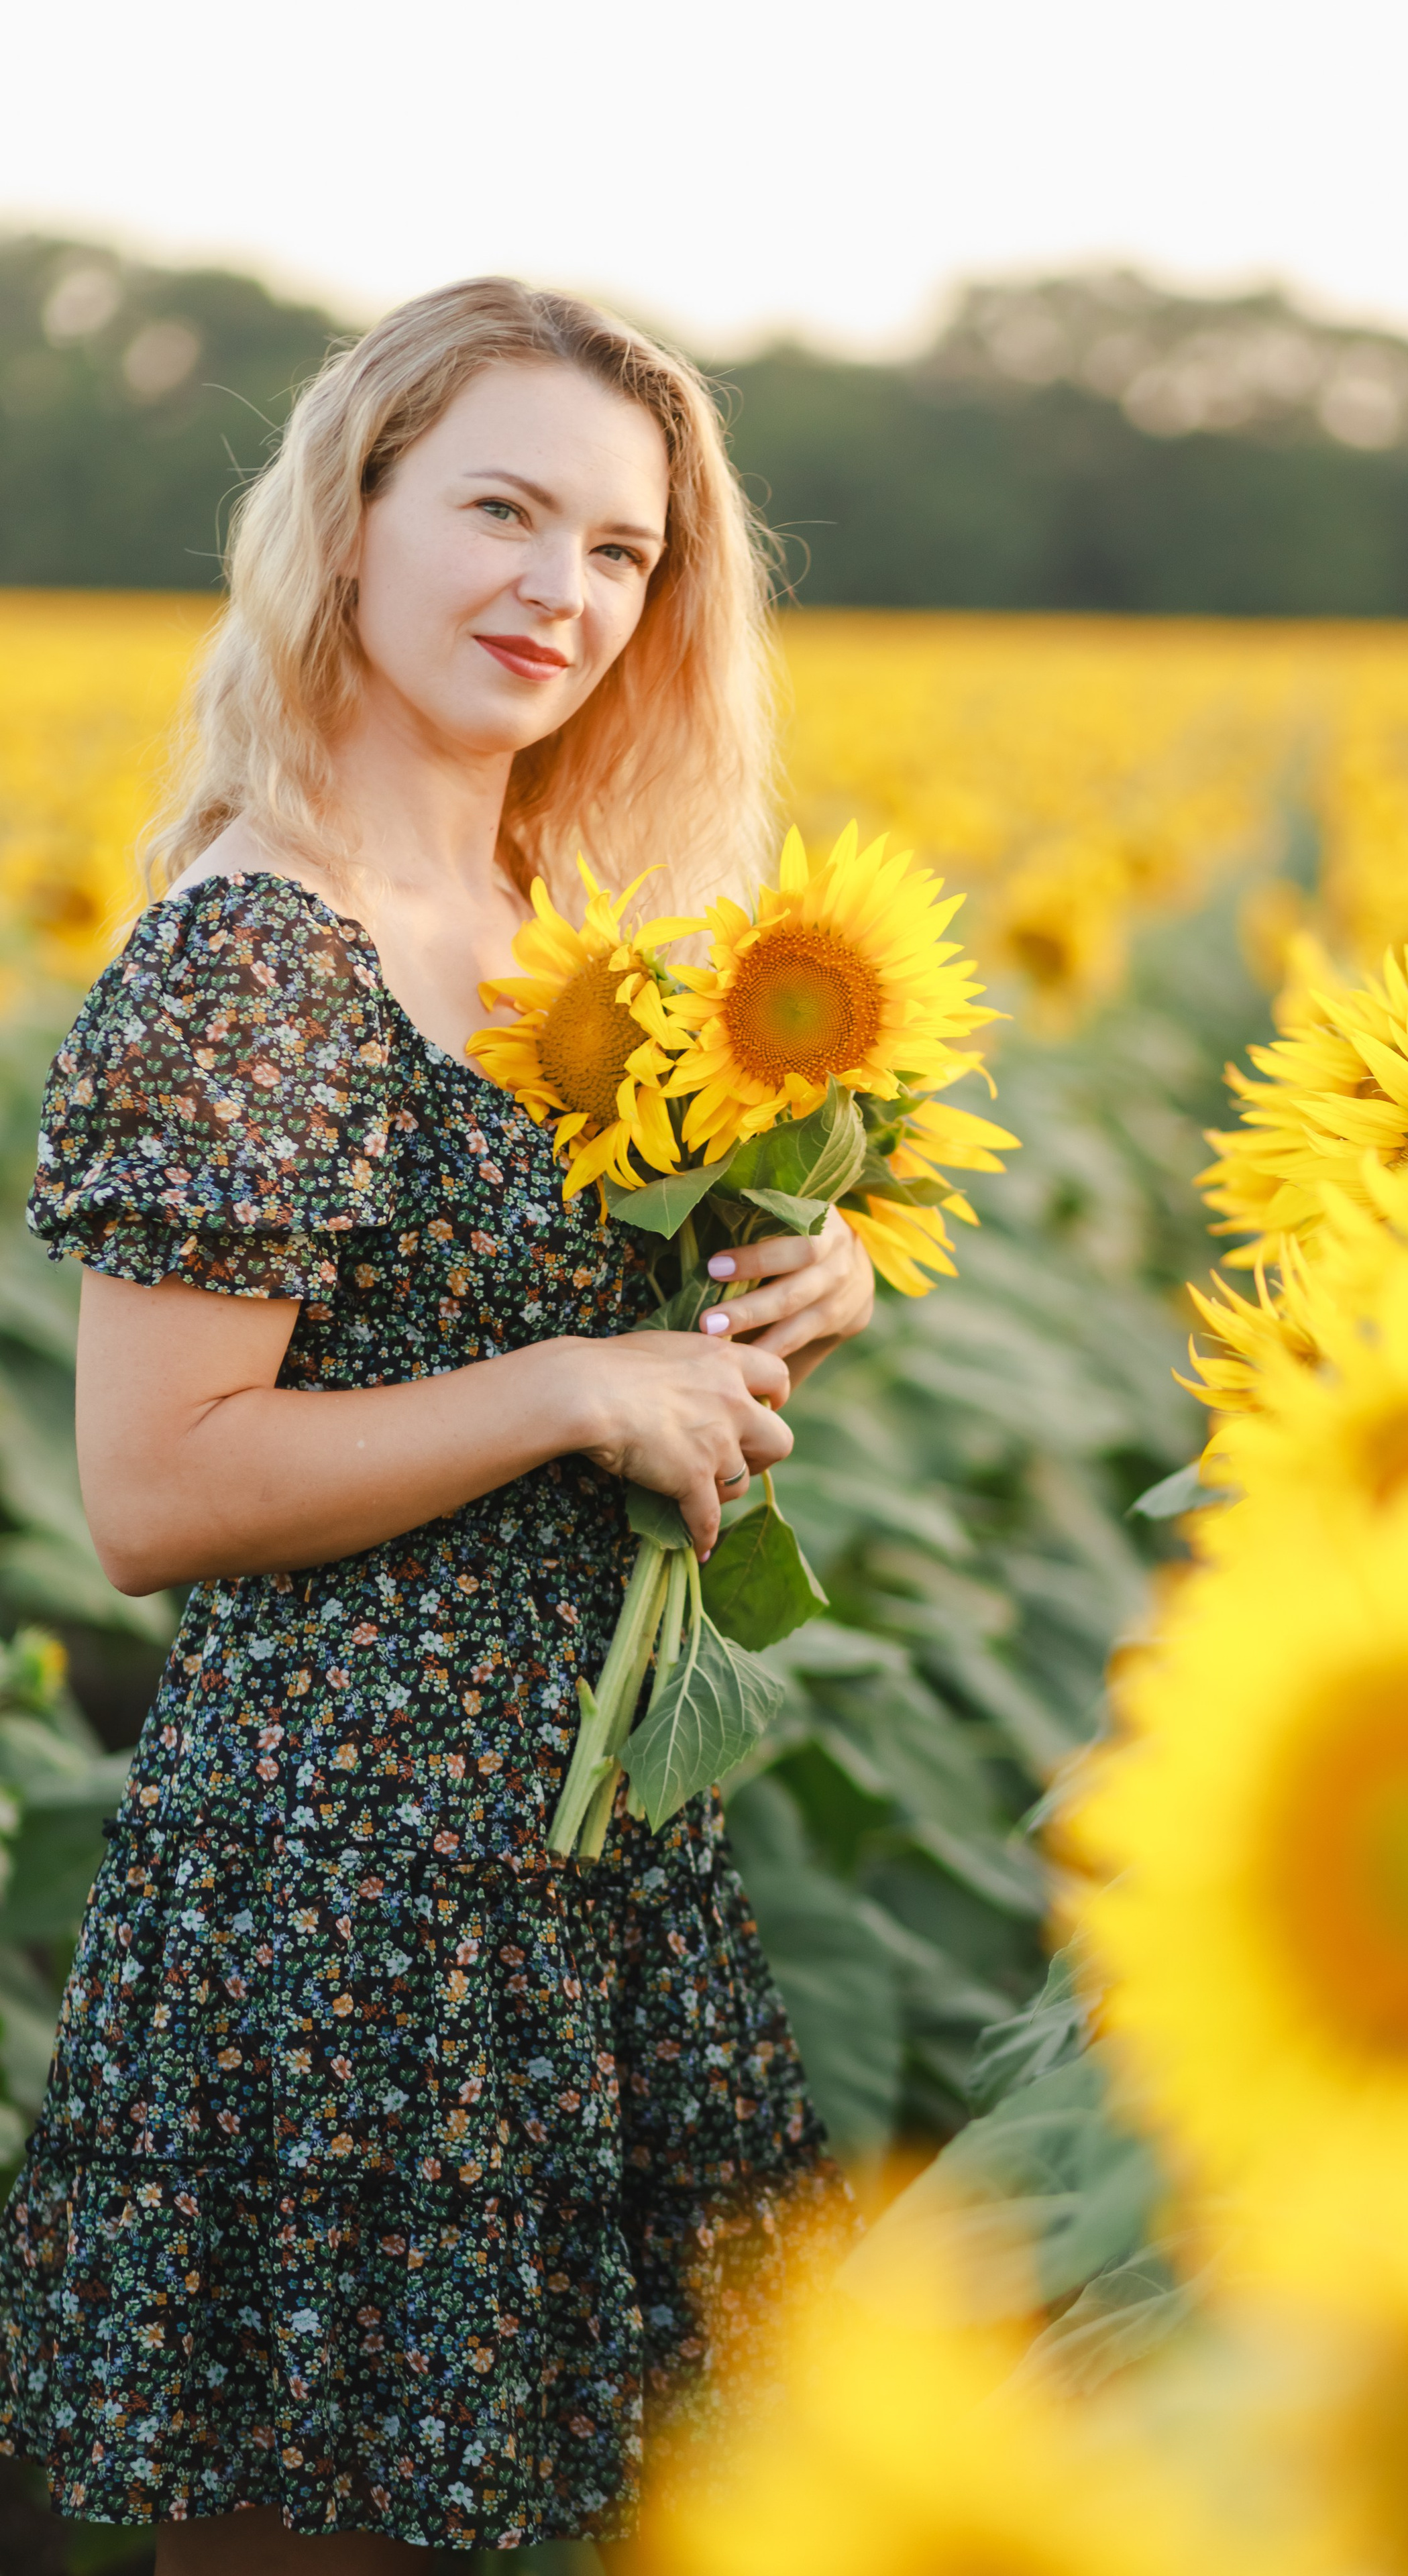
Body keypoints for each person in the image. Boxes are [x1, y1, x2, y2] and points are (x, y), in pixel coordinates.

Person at [0, 278, 874, 2571]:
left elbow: (603, 1342)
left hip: (578, 1879)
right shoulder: (254, 952)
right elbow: (154, 1488)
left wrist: (795, 1271)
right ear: (352, 517)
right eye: (504, 510)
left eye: (620, 550)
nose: (562, 594)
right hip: (336, 1885)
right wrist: (574, 1383)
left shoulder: (576, 945)